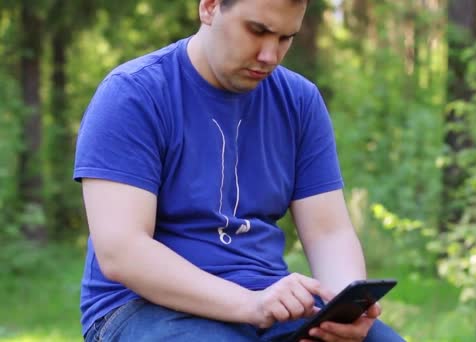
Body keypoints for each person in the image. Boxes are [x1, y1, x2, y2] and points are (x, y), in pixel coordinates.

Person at [74, 0, 404, 341]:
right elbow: (122, 251)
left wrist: (342, 312)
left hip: (267, 302)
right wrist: (250, 304)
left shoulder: (299, 101)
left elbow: (328, 233)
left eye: (285, 38)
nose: (269, 56)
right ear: (209, 7)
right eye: (257, 31)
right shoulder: (133, 94)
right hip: (144, 308)